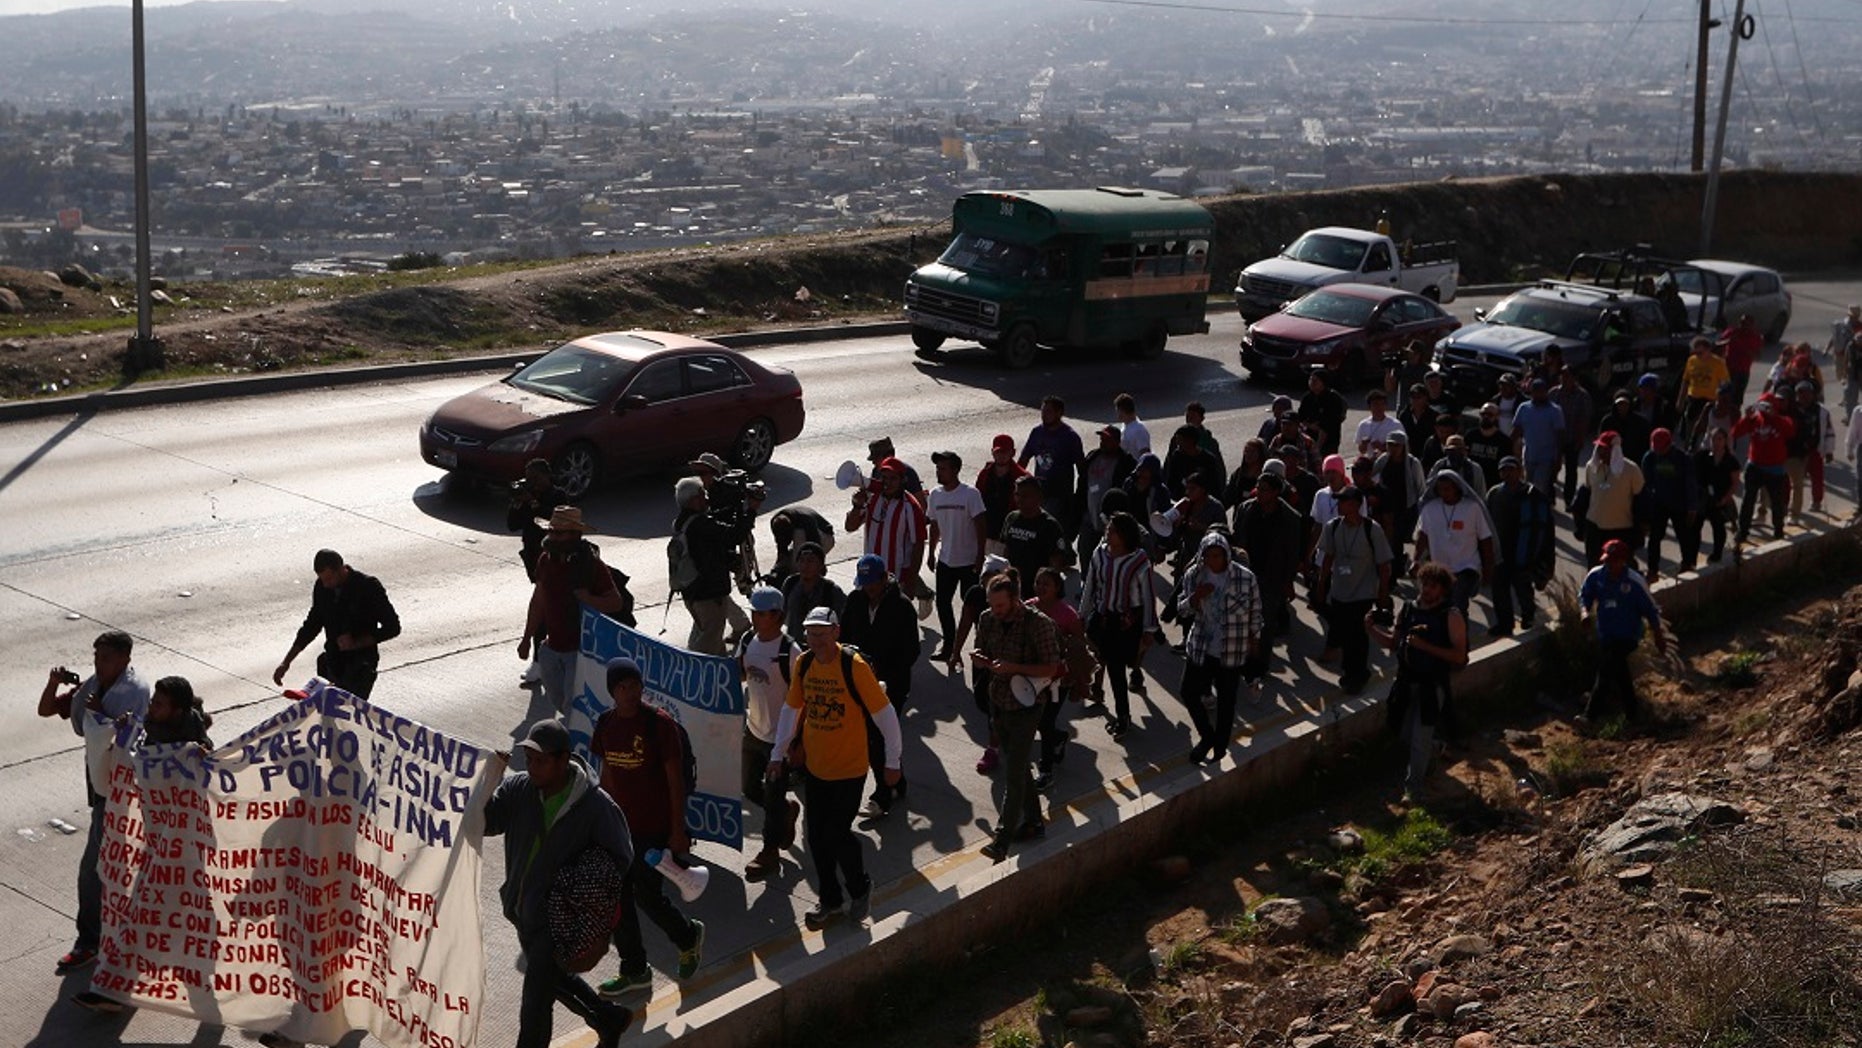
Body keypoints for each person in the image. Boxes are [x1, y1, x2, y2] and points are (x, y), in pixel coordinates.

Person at [484, 719, 636, 1048]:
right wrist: (486, 779)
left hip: (561, 919)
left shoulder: (596, 808)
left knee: (535, 1001)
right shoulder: (519, 790)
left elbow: (621, 858)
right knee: (552, 979)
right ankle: (608, 1018)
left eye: (541, 761)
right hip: (523, 911)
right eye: (529, 760)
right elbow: (487, 823)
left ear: (563, 760)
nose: (532, 768)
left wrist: (589, 903)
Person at [768, 608, 902, 929]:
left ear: (836, 633)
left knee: (837, 834)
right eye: (810, 634)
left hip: (850, 770)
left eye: (821, 634)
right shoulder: (805, 665)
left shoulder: (853, 667)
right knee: (816, 838)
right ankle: (830, 900)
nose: (815, 640)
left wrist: (893, 762)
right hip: (816, 769)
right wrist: (778, 753)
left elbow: (886, 716)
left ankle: (859, 887)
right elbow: (791, 710)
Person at [588, 658, 705, 997]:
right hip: (620, 827)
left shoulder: (659, 725)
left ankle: (687, 937)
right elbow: (606, 773)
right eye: (623, 687)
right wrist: (601, 819)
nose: (630, 693)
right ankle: (635, 969)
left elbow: (674, 781)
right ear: (613, 691)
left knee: (646, 895)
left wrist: (677, 829)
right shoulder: (606, 724)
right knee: (618, 899)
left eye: (635, 686)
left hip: (653, 827)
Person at [37, 631, 150, 978]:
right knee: (112, 863)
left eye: (106, 658)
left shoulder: (135, 692)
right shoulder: (92, 686)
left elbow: (125, 737)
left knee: (93, 867)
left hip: (121, 790)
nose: (98, 664)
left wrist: (101, 716)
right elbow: (47, 710)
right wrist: (54, 684)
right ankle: (117, 933)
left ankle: (90, 941)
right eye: (96, 657)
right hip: (101, 784)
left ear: (124, 660)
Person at [971, 573, 1066, 863]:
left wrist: (1013, 667)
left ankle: (1002, 840)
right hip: (999, 701)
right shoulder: (988, 619)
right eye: (992, 605)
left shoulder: (1038, 625)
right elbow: (982, 649)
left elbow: (1052, 668)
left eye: (1001, 605)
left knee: (1013, 774)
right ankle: (1035, 822)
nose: (996, 611)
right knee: (1019, 764)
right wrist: (980, 659)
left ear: (1015, 599)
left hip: (1027, 706)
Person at [1368, 562, 1468, 803]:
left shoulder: (1451, 616)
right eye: (1424, 584)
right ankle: (1434, 749)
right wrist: (1370, 629)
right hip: (1405, 681)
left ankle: (1413, 790)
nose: (1426, 590)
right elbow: (1394, 643)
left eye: (1432, 586)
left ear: (1442, 589)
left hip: (1431, 685)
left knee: (1419, 738)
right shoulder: (1409, 609)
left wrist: (1426, 648)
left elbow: (1459, 656)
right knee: (1401, 729)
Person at [517, 509, 628, 713]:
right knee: (560, 704)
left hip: (580, 652)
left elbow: (615, 602)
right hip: (551, 649)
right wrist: (526, 640)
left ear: (575, 535)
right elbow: (538, 602)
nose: (552, 537)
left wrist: (588, 599)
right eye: (550, 531)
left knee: (572, 711)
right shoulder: (545, 560)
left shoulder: (591, 565)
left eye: (559, 533)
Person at [839, 554, 921, 817]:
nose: (869, 589)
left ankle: (882, 795)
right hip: (861, 682)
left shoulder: (902, 606)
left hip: (891, 686)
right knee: (877, 738)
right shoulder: (855, 600)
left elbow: (911, 650)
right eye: (865, 584)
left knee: (878, 738)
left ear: (884, 579)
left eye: (873, 583)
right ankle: (898, 782)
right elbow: (846, 637)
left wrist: (886, 676)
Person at [1176, 531, 1263, 763]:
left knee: (1226, 701)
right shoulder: (1193, 575)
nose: (1213, 561)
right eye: (1209, 556)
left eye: (1218, 556)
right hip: (1201, 646)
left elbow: (1256, 612)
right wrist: (1196, 597)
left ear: (1226, 556)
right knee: (1188, 692)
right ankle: (1207, 736)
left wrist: (1254, 639)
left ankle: (1220, 747)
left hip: (1231, 649)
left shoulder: (1245, 578)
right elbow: (1182, 609)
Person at [272, 549, 401, 699]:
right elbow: (312, 625)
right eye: (322, 579)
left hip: (361, 664)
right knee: (327, 711)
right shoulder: (322, 587)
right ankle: (312, 695)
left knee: (345, 711)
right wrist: (286, 662)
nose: (326, 585)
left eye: (329, 579)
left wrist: (357, 642)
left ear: (341, 569)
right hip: (332, 662)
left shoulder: (368, 587)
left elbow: (393, 627)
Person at [737, 588, 800, 883]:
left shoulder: (791, 652)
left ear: (777, 616)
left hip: (780, 740)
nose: (755, 617)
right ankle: (785, 811)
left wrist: (795, 743)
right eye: (753, 611)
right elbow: (739, 673)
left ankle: (769, 852)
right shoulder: (748, 640)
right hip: (753, 730)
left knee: (772, 795)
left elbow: (802, 700)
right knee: (749, 787)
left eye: (761, 613)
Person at [1080, 512, 1156, 739]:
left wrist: (1149, 629)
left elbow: (1149, 596)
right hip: (1102, 617)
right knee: (1098, 656)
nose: (1107, 533)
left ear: (1124, 535)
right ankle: (1098, 689)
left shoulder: (1139, 560)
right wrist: (1081, 615)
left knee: (1115, 667)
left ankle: (1123, 717)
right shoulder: (1100, 553)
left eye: (1112, 530)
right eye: (1108, 529)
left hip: (1125, 623)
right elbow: (1090, 584)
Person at [1313, 487, 1393, 694]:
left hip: (1363, 593)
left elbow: (1384, 565)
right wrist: (1321, 586)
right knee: (1346, 634)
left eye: (1344, 501)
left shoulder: (1371, 529)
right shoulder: (1332, 527)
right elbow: (1327, 559)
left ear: (1357, 505)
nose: (1339, 505)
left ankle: (1358, 675)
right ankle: (1350, 673)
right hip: (1339, 592)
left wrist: (1383, 593)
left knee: (1358, 635)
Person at [1578, 539, 1666, 726]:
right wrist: (1584, 612)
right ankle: (1633, 713)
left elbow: (1651, 609)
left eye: (1613, 562)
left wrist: (1659, 635)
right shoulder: (1596, 576)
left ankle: (1590, 716)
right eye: (1607, 561)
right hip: (1607, 634)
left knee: (1606, 669)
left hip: (1628, 635)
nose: (1609, 566)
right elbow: (1585, 595)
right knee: (1620, 673)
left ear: (1623, 561)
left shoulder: (1634, 582)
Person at [673, 477, 749, 656]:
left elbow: (710, 545)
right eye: (702, 495)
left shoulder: (682, 522)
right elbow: (734, 535)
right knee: (707, 647)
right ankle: (698, 678)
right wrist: (750, 510)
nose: (706, 498)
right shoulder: (700, 525)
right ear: (693, 500)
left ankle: (723, 678)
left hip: (693, 592)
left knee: (713, 642)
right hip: (708, 595)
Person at [1027, 567, 1089, 790]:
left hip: (1059, 679)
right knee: (1037, 720)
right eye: (1038, 582)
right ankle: (1059, 737)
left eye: (1047, 584)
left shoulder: (1067, 614)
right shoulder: (1028, 608)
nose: (1041, 587)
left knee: (1045, 721)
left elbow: (1080, 645)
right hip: (1034, 676)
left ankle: (1046, 771)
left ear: (1057, 588)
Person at [925, 450, 988, 660]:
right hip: (945, 560)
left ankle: (984, 646)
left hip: (969, 561)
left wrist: (980, 556)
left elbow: (981, 526)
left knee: (973, 605)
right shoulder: (935, 494)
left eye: (943, 468)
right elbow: (934, 525)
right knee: (943, 604)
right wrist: (931, 552)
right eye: (937, 468)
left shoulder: (970, 494)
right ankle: (949, 648)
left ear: (955, 470)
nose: (939, 472)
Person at [1232, 471, 1304, 649]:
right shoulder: (1246, 509)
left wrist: (1288, 582)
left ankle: (1260, 662)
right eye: (1257, 487)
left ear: (1275, 493)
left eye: (1264, 489)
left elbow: (1292, 553)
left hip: (1272, 577)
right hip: (1247, 573)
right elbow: (1237, 538)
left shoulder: (1290, 518)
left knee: (1265, 622)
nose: (1258, 492)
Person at [1484, 457, 1554, 636]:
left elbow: (1546, 530)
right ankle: (1505, 624)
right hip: (1500, 552)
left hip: (1524, 553)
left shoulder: (1534, 496)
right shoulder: (1494, 494)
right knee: (1499, 591)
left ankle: (1528, 617)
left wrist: (1546, 559)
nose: (1507, 474)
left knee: (1523, 588)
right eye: (1503, 470)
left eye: (1511, 469)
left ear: (1520, 471)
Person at [1412, 469, 1495, 617]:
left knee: (1457, 603)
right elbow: (1422, 536)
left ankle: (1460, 637)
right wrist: (1416, 560)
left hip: (1467, 567)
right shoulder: (1430, 509)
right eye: (1440, 489)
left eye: (1448, 489)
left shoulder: (1472, 508)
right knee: (1429, 604)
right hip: (1440, 569)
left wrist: (1488, 568)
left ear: (1457, 487)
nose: (1444, 493)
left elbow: (1485, 539)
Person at [846, 456, 928, 602]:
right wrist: (857, 506)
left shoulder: (911, 506)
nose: (887, 483)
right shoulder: (872, 499)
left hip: (896, 578)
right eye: (884, 478)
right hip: (868, 576)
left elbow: (919, 545)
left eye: (893, 478)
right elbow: (850, 527)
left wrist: (910, 583)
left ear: (902, 480)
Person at [1019, 395, 1087, 545]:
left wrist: (1081, 495)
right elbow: (1024, 459)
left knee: (1053, 530)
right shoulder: (1037, 432)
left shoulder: (1070, 437)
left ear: (1059, 413)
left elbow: (1082, 467)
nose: (1044, 415)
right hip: (1039, 491)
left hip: (1060, 494)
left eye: (1048, 412)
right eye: (1043, 411)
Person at [1733, 395, 1794, 547]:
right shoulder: (1754, 420)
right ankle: (1743, 531)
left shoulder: (1782, 421)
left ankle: (1778, 530)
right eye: (1762, 405)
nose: (1765, 409)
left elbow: (1791, 431)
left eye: (1768, 406)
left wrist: (1775, 417)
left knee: (1776, 502)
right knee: (1748, 500)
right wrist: (1746, 418)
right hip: (1755, 466)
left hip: (1775, 469)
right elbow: (1736, 433)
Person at [1640, 428, 1700, 582]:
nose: (1659, 452)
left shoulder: (1683, 459)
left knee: (1684, 536)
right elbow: (1645, 484)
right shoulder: (1650, 458)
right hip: (1659, 504)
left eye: (1662, 449)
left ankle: (1687, 564)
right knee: (1655, 538)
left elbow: (1690, 484)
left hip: (1679, 504)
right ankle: (1653, 570)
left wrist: (1692, 507)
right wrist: (1645, 511)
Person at [1078, 424, 1138, 569]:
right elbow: (1082, 483)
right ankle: (1086, 583)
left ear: (1117, 442)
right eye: (1102, 439)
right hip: (1090, 516)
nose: (1103, 442)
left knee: (1109, 557)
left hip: (1112, 520)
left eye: (1107, 439)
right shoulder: (1093, 457)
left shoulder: (1126, 462)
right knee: (1084, 550)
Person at [1581, 433, 1645, 567]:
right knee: (1594, 566)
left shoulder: (1631, 470)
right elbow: (1586, 492)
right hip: (1595, 528)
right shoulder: (1591, 467)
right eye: (1599, 448)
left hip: (1621, 529)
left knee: (1621, 568)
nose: (1601, 452)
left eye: (1605, 449)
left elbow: (1641, 499)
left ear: (1615, 450)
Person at [1000, 474, 1068, 599]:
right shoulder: (1011, 518)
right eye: (1017, 495)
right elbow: (1006, 550)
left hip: (1036, 592)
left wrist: (1046, 593)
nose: (1019, 499)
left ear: (1039, 498)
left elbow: (1056, 564)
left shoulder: (1049, 525)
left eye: (1025, 496)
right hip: (1013, 589)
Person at [509, 458, 571, 582]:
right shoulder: (527, 496)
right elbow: (512, 525)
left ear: (546, 476)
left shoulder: (557, 495)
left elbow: (557, 519)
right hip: (531, 549)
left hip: (552, 550)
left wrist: (533, 502)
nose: (532, 483)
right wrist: (516, 505)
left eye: (535, 478)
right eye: (529, 479)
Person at [1510, 378, 1566, 497]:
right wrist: (1509, 448)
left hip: (1546, 458)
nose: (1538, 394)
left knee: (1539, 489)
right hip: (1529, 456)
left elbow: (1560, 437)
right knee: (1527, 486)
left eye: (1541, 391)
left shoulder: (1555, 411)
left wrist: (1559, 458)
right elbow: (1517, 430)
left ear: (1546, 392)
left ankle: (1538, 512)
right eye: (1536, 391)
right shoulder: (1524, 408)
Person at [779, 542, 845, 644]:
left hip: (821, 649)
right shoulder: (790, 584)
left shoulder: (831, 590)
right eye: (801, 561)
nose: (805, 565)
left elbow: (841, 625)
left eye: (810, 561)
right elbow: (780, 616)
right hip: (794, 647)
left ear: (820, 565)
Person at [1695, 427, 1741, 563]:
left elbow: (1734, 484)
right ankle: (1691, 555)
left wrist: (1725, 499)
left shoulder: (1731, 461)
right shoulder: (1702, 456)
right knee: (1695, 526)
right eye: (1713, 438)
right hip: (1703, 498)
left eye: (1719, 439)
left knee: (1718, 527)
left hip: (1720, 499)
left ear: (1725, 441)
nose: (1716, 442)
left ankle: (1717, 554)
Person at [976, 434, 1030, 553]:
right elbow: (976, 501)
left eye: (1005, 452)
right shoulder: (985, 474)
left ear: (1013, 453)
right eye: (998, 452)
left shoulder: (1023, 478)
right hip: (987, 534)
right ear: (992, 452)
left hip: (1010, 537)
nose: (1001, 456)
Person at [1551, 366, 1595, 508]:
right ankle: (1549, 498)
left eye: (1567, 376)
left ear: (1574, 378)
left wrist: (1580, 439)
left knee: (1571, 470)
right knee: (1551, 468)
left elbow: (1585, 419)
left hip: (1572, 439)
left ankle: (1569, 500)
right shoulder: (1554, 393)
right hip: (1554, 439)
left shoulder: (1583, 396)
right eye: (1562, 375)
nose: (1564, 378)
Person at [765, 505, 836, 587]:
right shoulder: (775, 521)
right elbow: (781, 545)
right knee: (790, 560)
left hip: (825, 537)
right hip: (803, 534)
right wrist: (780, 564)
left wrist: (820, 565)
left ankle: (798, 578)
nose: (785, 540)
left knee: (799, 544)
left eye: (786, 537)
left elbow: (815, 547)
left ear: (790, 530)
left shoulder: (805, 522)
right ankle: (788, 576)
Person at [1677, 336, 1730, 441]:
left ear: (1708, 350)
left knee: (1705, 427)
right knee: (1689, 424)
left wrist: (1723, 402)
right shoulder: (1691, 361)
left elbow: (1725, 384)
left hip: (1709, 400)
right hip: (1693, 398)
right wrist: (1680, 400)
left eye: (1700, 353)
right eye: (1696, 353)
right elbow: (1685, 381)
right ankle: (1689, 445)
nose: (1698, 356)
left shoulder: (1718, 363)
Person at [1299, 367, 1348, 456]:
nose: (1311, 382)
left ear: (1323, 382)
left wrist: (1318, 446)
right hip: (1308, 438)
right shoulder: (1307, 397)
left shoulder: (1332, 399)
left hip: (1329, 441)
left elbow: (1329, 424)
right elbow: (1300, 417)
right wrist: (1310, 426)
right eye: (1310, 379)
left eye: (1315, 380)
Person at [1718, 313, 1765, 403]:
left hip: (1743, 371)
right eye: (1741, 323)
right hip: (1728, 369)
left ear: (1752, 325)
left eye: (1746, 324)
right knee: (1723, 395)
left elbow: (1757, 356)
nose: (1743, 326)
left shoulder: (1756, 337)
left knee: (1737, 398)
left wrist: (1743, 347)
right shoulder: (1732, 332)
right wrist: (1728, 341)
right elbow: (1718, 343)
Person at [1357, 389, 1402, 457]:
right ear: (1369, 407)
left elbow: (1403, 447)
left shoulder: (1395, 424)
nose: (1379, 407)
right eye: (1375, 404)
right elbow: (1361, 451)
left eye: (1382, 404)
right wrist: (1364, 444)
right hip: (1371, 461)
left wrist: (1383, 447)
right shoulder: (1363, 425)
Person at [1114, 392, 1152, 458]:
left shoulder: (1139, 430)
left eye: (1118, 412)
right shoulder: (1125, 426)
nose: (1117, 416)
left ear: (1123, 411)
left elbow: (1145, 455)